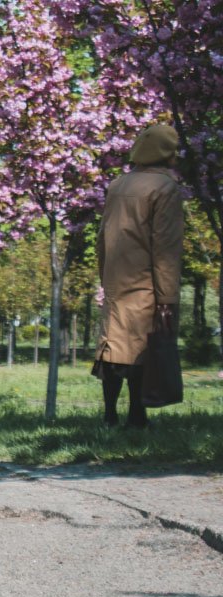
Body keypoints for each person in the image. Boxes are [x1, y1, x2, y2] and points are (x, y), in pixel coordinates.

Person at [94, 123, 185, 429]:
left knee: (113, 348)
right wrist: (168, 297)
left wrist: (105, 277)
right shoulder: (165, 188)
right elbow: (165, 248)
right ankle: (137, 416)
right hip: (147, 282)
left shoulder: (118, 185)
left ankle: (109, 415)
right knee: (142, 351)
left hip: (116, 281)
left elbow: (101, 237)